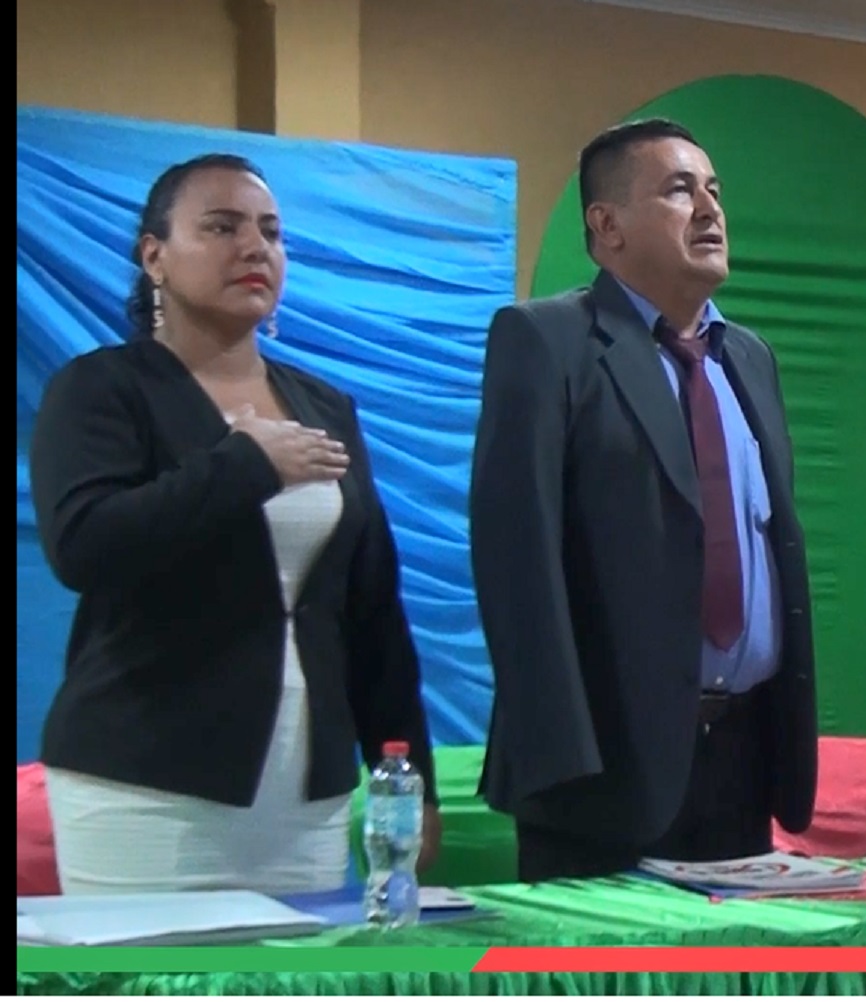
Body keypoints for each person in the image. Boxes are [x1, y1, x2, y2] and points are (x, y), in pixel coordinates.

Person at [28, 153, 439, 894]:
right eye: (222, 227)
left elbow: (372, 611)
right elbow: (85, 546)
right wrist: (245, 465)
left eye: (271, 233)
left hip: (306, 804)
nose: (255, 248)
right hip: (145, 788)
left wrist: (410, 779)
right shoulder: (102, 389)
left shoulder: (324, 406)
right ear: (154, 256)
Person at [471, 119, 816, 881]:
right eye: (679, 191)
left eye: (714, 190)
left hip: (742, 760)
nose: (711, 210)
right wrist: (563, 759)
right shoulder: (547, 340)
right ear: (608, 225)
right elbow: (516, 560)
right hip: (602, 774)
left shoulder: (749, 357)